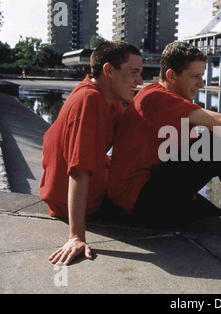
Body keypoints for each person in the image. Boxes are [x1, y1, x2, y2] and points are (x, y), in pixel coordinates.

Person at [108, 41, 221, 229]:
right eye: (195, 76)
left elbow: (196, 150)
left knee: (216, 210)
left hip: (149, 195)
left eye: (202, 76)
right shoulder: (155, 97)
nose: (202, 83)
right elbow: (220, 123)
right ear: (171, 75)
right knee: (215, 145)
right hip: (140, 201)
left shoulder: (164, 100)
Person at [40, 41, 144, 265]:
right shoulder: (88, 101)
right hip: (81, 203)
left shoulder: (111, 99)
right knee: (170, 204)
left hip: (96, 187)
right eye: (133, 72)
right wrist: (76, 236)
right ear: (109, 70)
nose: (140, 81)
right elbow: (78, 170)